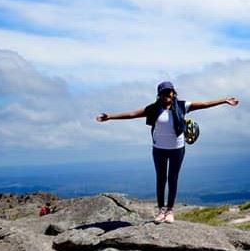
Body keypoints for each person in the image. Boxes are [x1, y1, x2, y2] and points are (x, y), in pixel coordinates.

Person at [95, 81, 238, 223]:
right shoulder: (153, 108)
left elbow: (205, 104)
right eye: (163, 92)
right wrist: (110, 116)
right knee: (161, 179)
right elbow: (132, 114)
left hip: (177, 149)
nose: (167, 94)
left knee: (173, 179)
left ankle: (170, 210)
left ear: (173, 93)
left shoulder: (182, 106)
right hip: (159, 149)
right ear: (159, 95)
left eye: (169, 91)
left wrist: (224, 100)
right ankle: (161, 210)